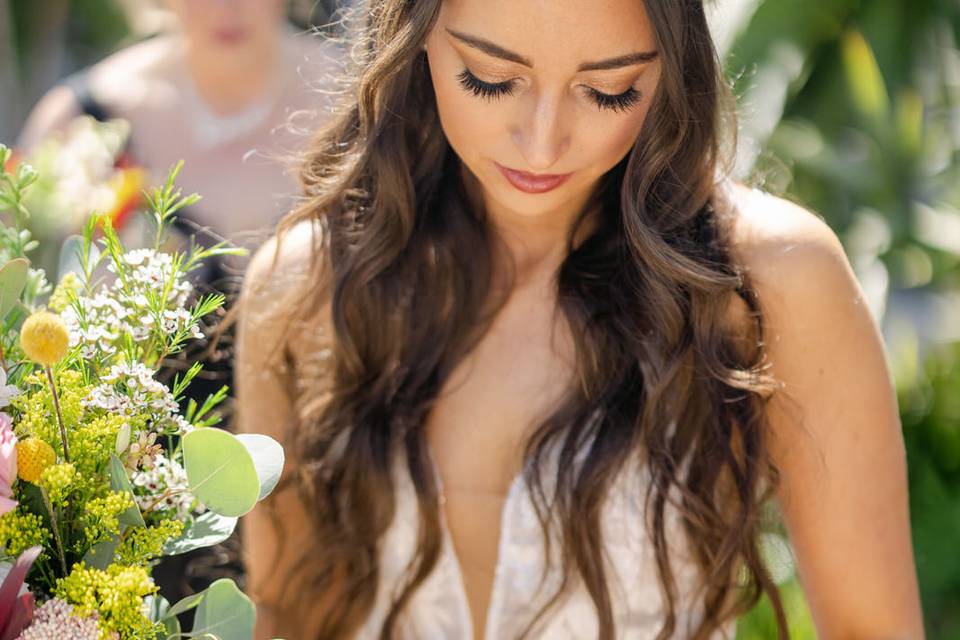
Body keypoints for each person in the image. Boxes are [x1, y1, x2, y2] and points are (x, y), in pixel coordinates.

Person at [234, 1, 925, 638]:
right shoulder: (304, 284)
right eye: (489, 79)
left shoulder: (766, 280)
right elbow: (285, 616)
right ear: (413, 40)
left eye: (609, 90)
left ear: (672, 68)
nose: (542, 145)